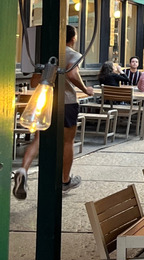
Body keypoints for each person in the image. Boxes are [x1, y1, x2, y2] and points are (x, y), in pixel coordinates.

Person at [12, 25, 93, 199]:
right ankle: (65, 180)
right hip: (67, 103)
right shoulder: (71, 54)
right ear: (72, 38)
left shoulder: (44, 53)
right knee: (67, 141)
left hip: (45, 101)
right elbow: (72, 75)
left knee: (39, 139)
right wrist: (85, 89)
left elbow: (34, 81)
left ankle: (23, 169)